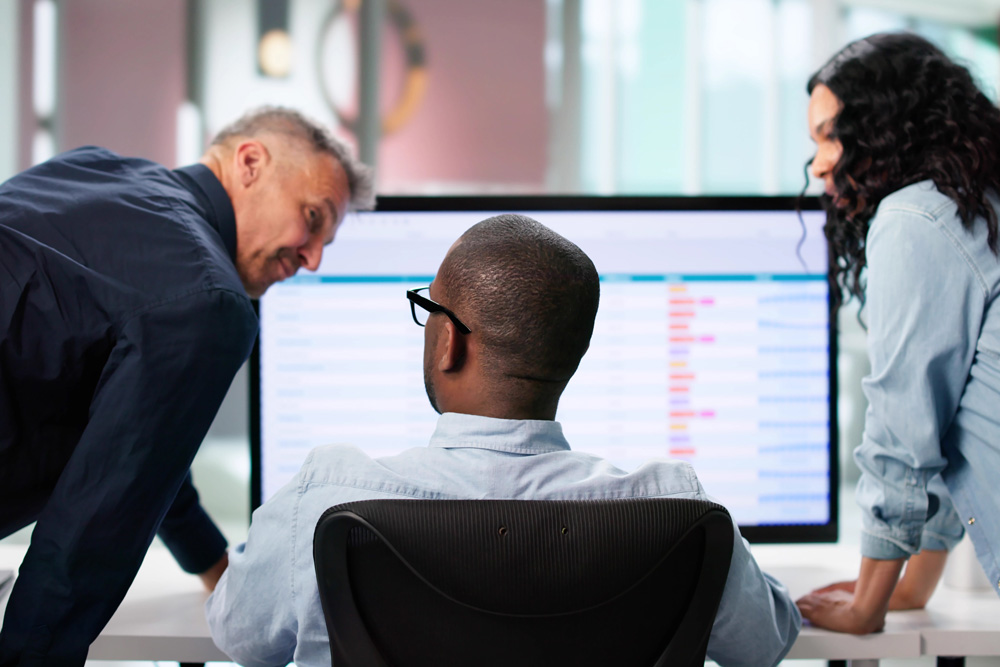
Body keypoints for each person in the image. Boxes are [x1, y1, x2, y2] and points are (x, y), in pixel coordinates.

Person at [205, 213, 801, 667]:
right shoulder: (676, 508)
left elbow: (239, 634)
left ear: (449, 343)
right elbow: (764, 642)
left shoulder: (327, 497)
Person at [0, 106, 374, 665]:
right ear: (250, 162)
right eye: (312, 218)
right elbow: (87, 541)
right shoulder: (210, 301)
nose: (313, 259)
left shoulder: (94, 168)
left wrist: (215, 567)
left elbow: (136, 443)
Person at [796, 33, 1000, 634]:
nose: (818, 164)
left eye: (831, 135)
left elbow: (903, 428)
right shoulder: (977, 202)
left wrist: (868, 606)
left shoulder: (915, 218)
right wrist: (912, 585)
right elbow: (954, 413)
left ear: (888, 128)